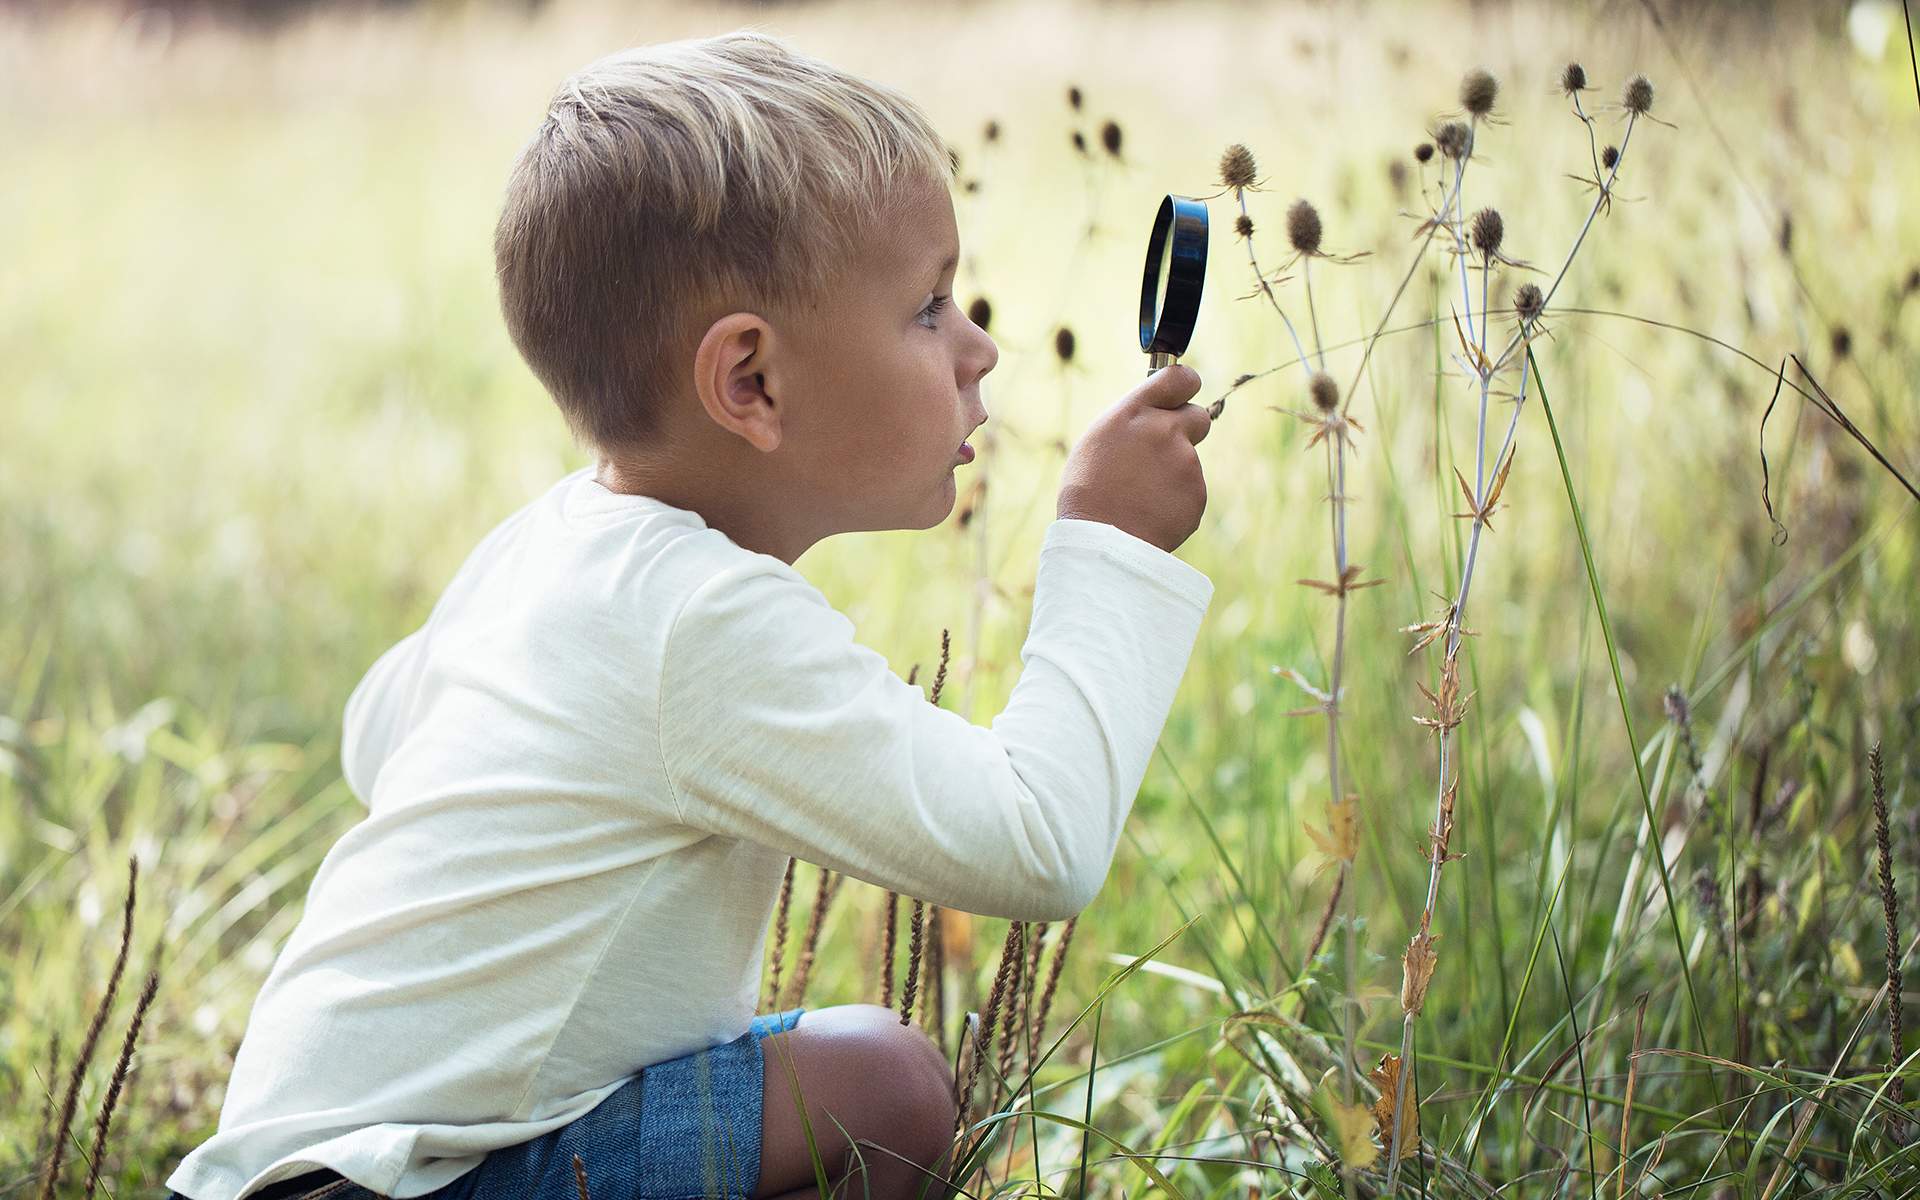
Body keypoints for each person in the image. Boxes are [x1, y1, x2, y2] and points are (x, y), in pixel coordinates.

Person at [163, 26, 1212, 1200]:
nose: (980, 348)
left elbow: (379, 733)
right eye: (927, 309)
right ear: (751, 383)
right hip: (415, 1184)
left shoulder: (554, 543)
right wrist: (1110, 545)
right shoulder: (701, 621)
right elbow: (1039, 841)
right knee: (884, 1087)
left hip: (291, 1169)